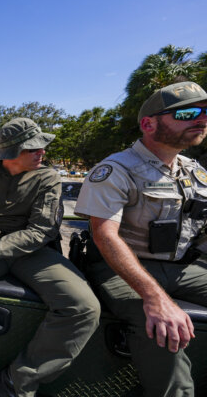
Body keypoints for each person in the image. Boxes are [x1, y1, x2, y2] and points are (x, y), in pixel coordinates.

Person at [0, 118, 100, 397]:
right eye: (33, 148)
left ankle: (18, 379)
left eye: (41, 147)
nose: (42, 152)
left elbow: (41, 231)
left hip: (32, 254)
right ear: (11, 153)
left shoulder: (47, 178)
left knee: (84, 307)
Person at [75, 81, 207, 396]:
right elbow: (104, 235)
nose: (200, 119)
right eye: (188, 113)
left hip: (183, 267)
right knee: (161, 328)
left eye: (205, 112)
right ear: (148, 124)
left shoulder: (194, 171)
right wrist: (155, 297)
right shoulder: (116, 169)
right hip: (121, 268)